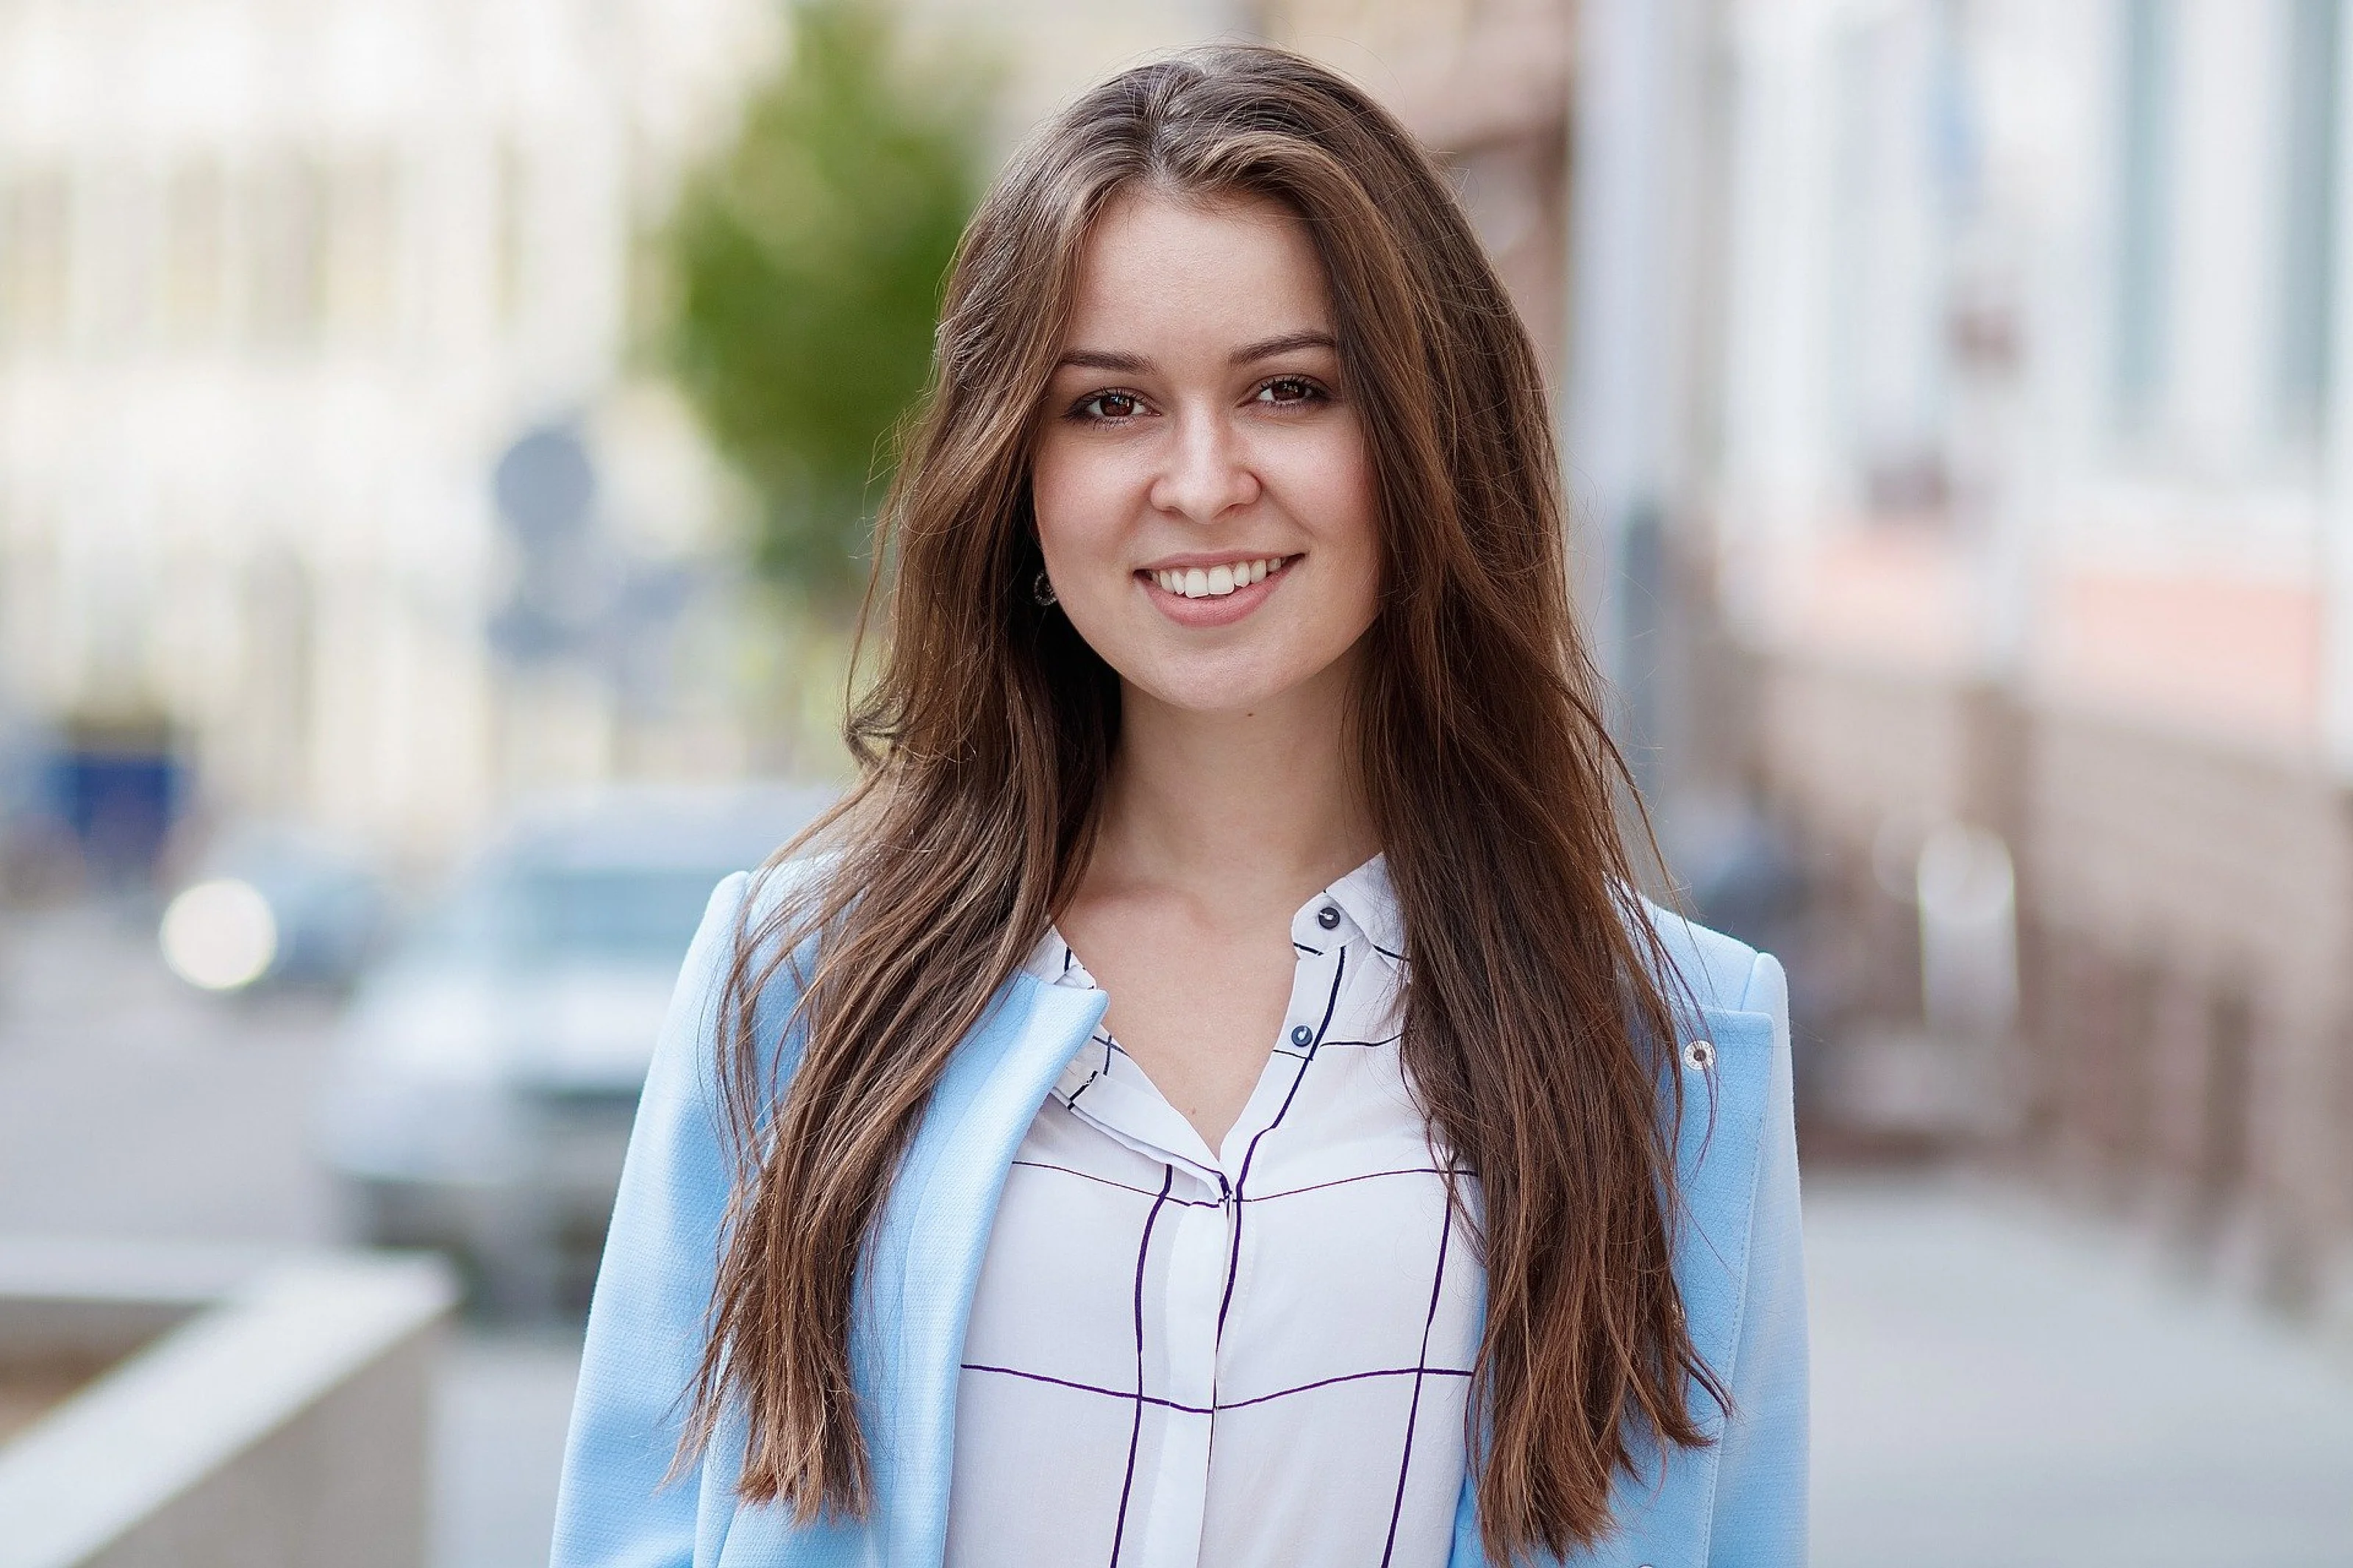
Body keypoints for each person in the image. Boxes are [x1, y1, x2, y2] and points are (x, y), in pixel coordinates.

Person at [550, 43, 1804, 1568]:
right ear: (1011, 466)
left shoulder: (1668, 1041)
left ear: (1426, 440)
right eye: (1108, 406)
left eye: (1288, 389)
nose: (1202, 480)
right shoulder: (798, 986)